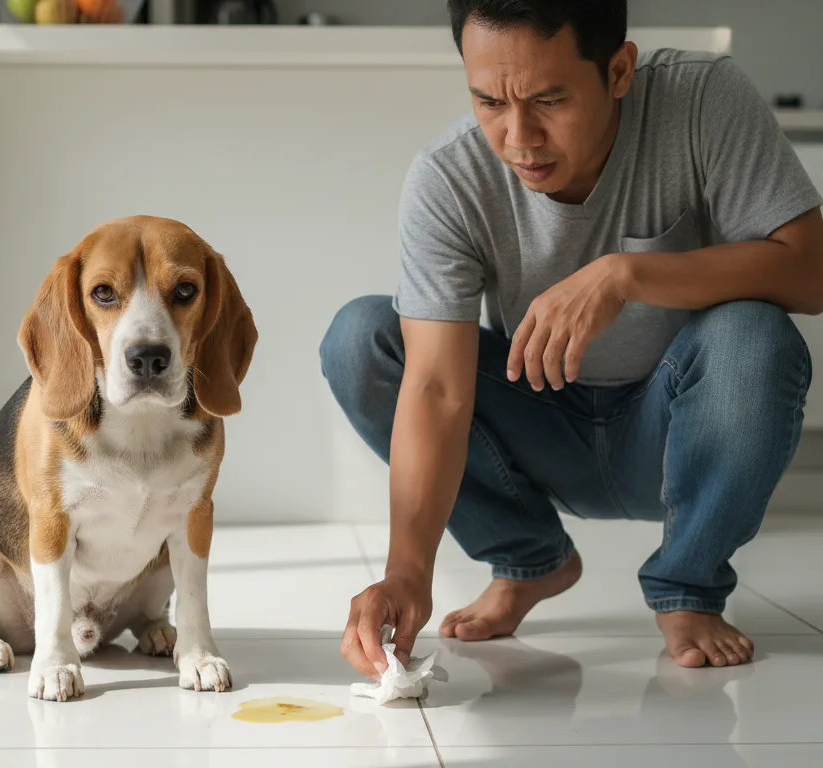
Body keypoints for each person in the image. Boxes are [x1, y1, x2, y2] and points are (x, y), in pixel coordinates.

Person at [320, 0, 823, 674]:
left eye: (549, 100)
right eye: (489, 101)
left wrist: (626, 276)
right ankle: (529, 561)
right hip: (542, 427)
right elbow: (438, 389)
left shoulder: (702, 99)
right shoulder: (449, 177)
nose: (519, 137)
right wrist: (407, 572)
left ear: (619, 70)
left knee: (754, 332)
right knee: (362, 339)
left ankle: (689, 585)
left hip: (676, 430)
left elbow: (811, 273)